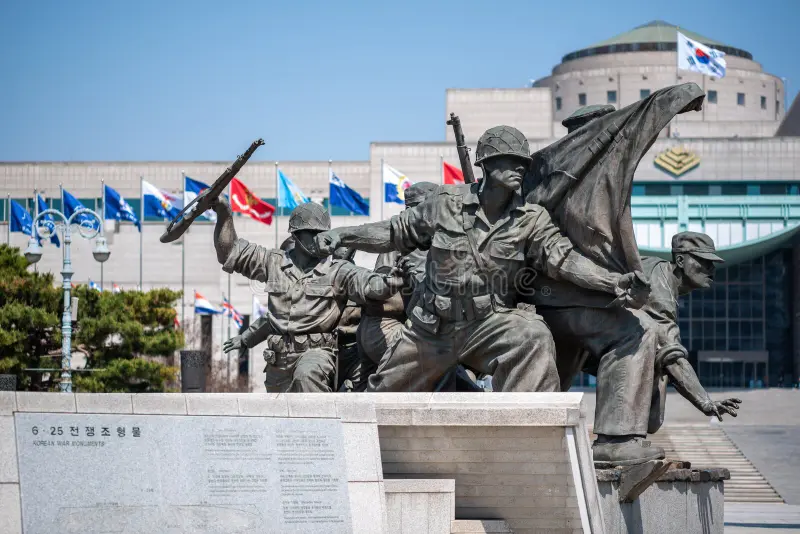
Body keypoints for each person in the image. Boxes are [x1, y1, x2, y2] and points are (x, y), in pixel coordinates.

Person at [314, 125, 648, 393]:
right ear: (487, 164)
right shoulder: (445, 203)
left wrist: (613, 282)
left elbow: (564, 260)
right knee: (381, 399)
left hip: (488, 324)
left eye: (523, 163)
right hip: (431, 329)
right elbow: (393, 231)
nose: (520, 168)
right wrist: (343, 235)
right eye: (510, 160)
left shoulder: (531, 218)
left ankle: (527, 439)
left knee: (532, 336)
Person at [213, 198, 402, 392]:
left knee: (307, 375)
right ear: (296, 235)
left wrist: (392, 281)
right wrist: (224, 213)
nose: (318, 238)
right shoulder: (273, 262)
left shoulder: (338, 270)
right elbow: (230, 252)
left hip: (317, 354)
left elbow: (370, 285)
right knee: (280, 407)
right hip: (278, 361)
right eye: (311, 233)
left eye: (322, 233)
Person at [584, 232, 741, 433]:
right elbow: (672, 355)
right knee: (659, 361)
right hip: (589, 332)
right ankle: (616, 439)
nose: (711, 269)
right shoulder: (659, 285)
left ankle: (623, 436)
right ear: (680, 260)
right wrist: (705, 402)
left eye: (712, 263)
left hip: (599, 334)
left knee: (655, 401)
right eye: (703, 261)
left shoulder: (661, 273)